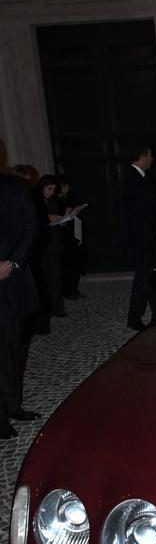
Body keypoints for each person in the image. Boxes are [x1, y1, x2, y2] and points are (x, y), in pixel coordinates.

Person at [0, 172, 40, 439]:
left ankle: (12, 406)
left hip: (9, 284)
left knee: (10, 348)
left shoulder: (14, 186)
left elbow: (31, 227)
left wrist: (12, 263)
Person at [122, 145, 156, 330]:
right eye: (150, 156)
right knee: (144, 278)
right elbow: (145, 210)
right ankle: (135, 317)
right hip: (144, 239)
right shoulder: (135, 180)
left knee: (153, 276)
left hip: (146, 238)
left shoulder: (138, 178)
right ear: (142, 157)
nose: (152, 160)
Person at [31, 174, 66, 327]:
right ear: (42, 187)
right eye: (49, 188)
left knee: (56, 276)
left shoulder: (51, 200)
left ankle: (57, 308)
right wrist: (47, 218)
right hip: (42, 245)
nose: (51, 192)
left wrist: (61, 220)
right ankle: (47, 309)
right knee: (45, 278)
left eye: (53, 189)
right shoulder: (34, 201)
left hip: (53, 242)